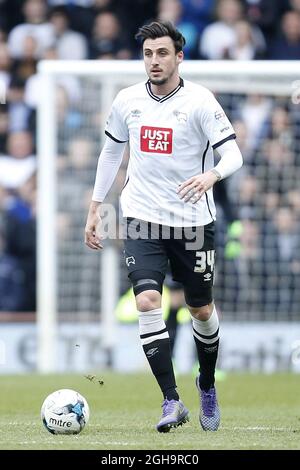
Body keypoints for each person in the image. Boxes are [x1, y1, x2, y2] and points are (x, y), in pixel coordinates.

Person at [85, 20, 243, 433]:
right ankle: (171, 401)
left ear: (179, 57)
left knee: (200, 310)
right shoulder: (127, 100)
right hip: (142, 218)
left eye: (161, 53)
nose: (153, 61)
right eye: (148, 54)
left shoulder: (201, 102)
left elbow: (234, 157)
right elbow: (109, 154)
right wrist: (96, 207)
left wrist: (211, 177)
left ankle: (205, 384)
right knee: (148, 303)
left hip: (193, 223)